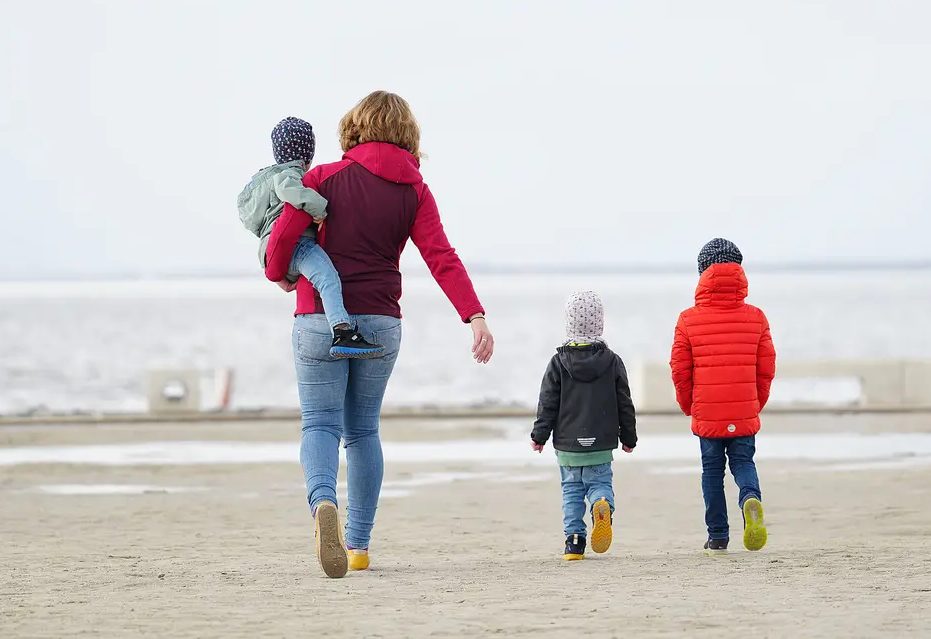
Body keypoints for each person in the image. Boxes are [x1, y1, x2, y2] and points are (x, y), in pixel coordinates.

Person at [265, 91, 494, 578]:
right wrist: (473, 315)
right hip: (381, 322)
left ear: (354, 128)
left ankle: (323, 502)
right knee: (364, 431)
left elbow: (283, 236)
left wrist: (277, 272)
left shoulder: (322, 178)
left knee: (320, 425)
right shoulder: (415, 191)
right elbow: (441, 257)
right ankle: (358, 546)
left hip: (319, 318)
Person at [238, 116, 383, 358]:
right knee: (328, 278)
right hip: (298, 245)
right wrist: (321, 209)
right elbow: (290, 191)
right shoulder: (289, 174)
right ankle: (342, 331)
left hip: (271, 249)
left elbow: (257, 222)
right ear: (308, 154)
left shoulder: (265, 180)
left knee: (322, 277)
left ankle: (341, 330)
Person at [670, 238, 776, 555]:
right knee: (743, 462)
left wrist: (689, 406)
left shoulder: (688, 319)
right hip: (743, 410)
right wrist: (755, 403)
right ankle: (750, 497)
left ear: (702, 273)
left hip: (708, 413)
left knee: (712, 473)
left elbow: (680, 370)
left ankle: (717, 536)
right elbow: (766, 368)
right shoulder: (757, 317)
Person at [530, 290, 637, 561]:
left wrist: (539, 436)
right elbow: (624, 402)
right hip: (600, 444)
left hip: (568, 446)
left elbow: (547, 403)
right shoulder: (612, 361)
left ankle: (574, 543)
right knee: (599, 483)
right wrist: (629, 438)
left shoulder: (558, 362)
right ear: (600, 323)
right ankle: (602, 504)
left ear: (568, 323)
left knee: (572, 492)